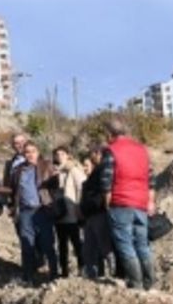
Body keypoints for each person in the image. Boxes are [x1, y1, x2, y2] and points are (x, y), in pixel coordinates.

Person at [0, 140, 58, 285]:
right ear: (23, 154)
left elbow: (55, 184)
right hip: (25, 213)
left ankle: (54, 276)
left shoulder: (46, 166)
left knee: (47, 244)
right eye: (27, 152)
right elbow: (12, 190)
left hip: (43, 210)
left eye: (32, 151)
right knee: (26, 245)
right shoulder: (18, 170)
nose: (30, 154)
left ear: (38, 152)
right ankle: (28, 277)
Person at [98, 117, 157, 290]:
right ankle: (149, 282)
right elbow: (151, 179)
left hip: (121, 202)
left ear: (109, 133)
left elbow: (106, 181)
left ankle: (136, 283)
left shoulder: (111, 150)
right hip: (141, 203)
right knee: (142, 243)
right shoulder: (142, 150)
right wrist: (150, 201)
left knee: (125, 244)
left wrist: (107, 204)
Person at [50, 147, 85, 278]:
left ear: (68, 155)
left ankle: (83, 269)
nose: (59, 156)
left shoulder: (73, 170)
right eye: (57, 154)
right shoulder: (55, 171)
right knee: (62, 244)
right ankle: (64, 272)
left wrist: (79, 208)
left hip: (72, 213)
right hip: (59, 213)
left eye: (62, 154)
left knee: (76, 242)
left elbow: (81, 187)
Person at [79, 147, 114, 278]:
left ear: (98, 153)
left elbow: (104, 191)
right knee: (89, 248)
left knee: (105, 247)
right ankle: (92, 275)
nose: (84, 167)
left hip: (99, 213)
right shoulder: (91, 177)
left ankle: (114, 274)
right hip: (90, 215)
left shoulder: (102, 171)